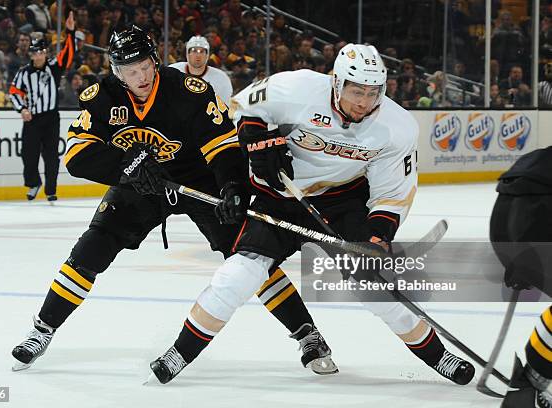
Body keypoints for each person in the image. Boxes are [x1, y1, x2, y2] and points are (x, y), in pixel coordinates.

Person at [11, 26, 337, 376]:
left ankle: (308, 334)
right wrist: (127, 166)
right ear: (117, 72)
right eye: (129, 71)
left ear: (155, 61)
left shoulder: (188, 93)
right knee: (93, 247)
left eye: (144, 67)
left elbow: (223, 147)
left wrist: (232, 187)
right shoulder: (102, 97)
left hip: (199, 180)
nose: (140, 77)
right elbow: (76, 154)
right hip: (138, 183)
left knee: (248, 255)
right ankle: (42, 329)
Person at [149, 43, 476, 386]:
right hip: (276, 196)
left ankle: (439, 357)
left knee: (373, 287)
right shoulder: (296, 88)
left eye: (373, 92)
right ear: (336, 82)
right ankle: (179, 352)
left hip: (342, 202)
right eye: (356, 91)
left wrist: (378, 238)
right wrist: (259, 142)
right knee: (239, 274)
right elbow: (241, 108)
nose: (364, 102)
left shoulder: (397, 127)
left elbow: (391, 195)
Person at [488, 147, 552, 408]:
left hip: (504, 215)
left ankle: (535, 379)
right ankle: (534, 382)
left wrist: (521, 259)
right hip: (539, 212)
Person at [9, 12, 76, 202]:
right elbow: (14, 91)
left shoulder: (54, 67)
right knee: (28, 155)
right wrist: (22, 109)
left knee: (51, 156)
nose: (36, 56)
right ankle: (33, 183)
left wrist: (70, 31)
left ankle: (51, 190)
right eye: (33, 52)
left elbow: (69, 53)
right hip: (32, 119)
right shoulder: (24, 73)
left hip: (51, 118)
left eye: (39, 52)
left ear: (45, 52)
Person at [170, 35, 233, 104]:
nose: (198, 55)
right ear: (187, 54)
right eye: (194, 51)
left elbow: (225, 107)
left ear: (207, 55)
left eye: (202, 51)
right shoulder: (173, 71)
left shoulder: (221, 78)